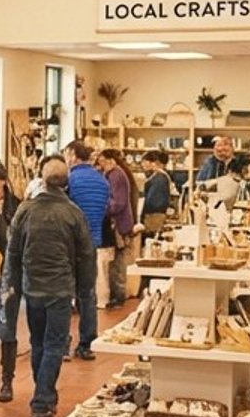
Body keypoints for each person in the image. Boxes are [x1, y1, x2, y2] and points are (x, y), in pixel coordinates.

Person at [3, 159, 95, 417]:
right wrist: (85, 290)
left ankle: (43, 396)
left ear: (42, 180)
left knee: (38, 343)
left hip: (33, 288)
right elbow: (86, 255)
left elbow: (13, 252)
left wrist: (13, 289)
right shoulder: (73, 213)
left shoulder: (25, 210)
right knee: (55, 344)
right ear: (66, 183)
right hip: (60, 289)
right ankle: (42, 401)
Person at [65, 141, 108, 356]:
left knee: (63, 293)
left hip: (69, 243)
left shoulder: (70, 179)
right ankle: (88, 343)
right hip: (92, 242)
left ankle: (62, 343)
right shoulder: (102, 180)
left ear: (73, 155)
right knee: (88, 295)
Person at [0, 163, 24, 402]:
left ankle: (7, 379)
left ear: (2, 180)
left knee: (7, 327)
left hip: (11, 273)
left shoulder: (18, 206)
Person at [97, 148, 137, 307]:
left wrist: (102, 207)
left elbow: (118, 203)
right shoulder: (115, 174)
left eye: (102, 161)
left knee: (118, 261)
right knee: (116, 261)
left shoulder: (116, 175)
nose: (100, 165)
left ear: (110, 160)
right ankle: (117, 294)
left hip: (119, 225)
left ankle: (118, 296)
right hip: (120, 223)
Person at [139, 150, 174, 233]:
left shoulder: (160, 177)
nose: (142, 164)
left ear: (153, 162)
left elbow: (154, 201)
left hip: (154, 216)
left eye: (144, 161)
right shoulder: (157, 176)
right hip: (154, 215)